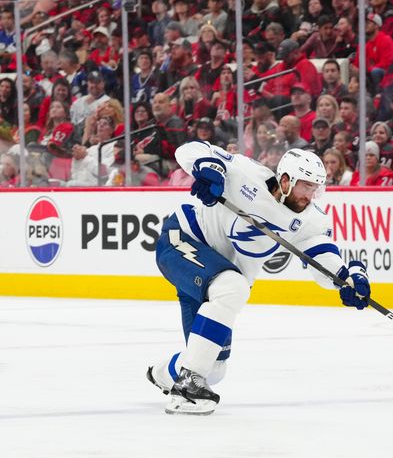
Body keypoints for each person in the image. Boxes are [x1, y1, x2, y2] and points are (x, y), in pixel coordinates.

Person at [146, 144, 371, 415]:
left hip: (214, 276)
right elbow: (189, 150)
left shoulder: (310, 221)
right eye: (306, 186)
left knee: (214, 368)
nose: (310, 196)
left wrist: (346, 280)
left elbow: (323, 259)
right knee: (233, 287)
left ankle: (163, 374)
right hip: (182, 240)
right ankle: (187, 388)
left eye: (316, 188)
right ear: (285, 180)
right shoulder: (246, 174)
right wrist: (209, 169)